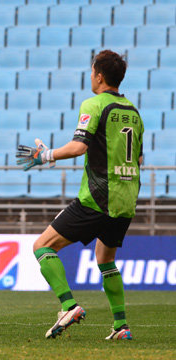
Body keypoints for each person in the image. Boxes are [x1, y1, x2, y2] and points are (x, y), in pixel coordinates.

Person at [16, 50, 143, 340]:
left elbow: (78, 147)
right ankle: (121, 326)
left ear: (98, 75)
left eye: (91, 72)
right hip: (126, 198)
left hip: (98, 197)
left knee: (42, 246)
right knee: (105, 258)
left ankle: (68, 305)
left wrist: (44, 155)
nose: (90, 76)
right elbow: (137, 159)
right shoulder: (134, 112)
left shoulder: (94, 104)